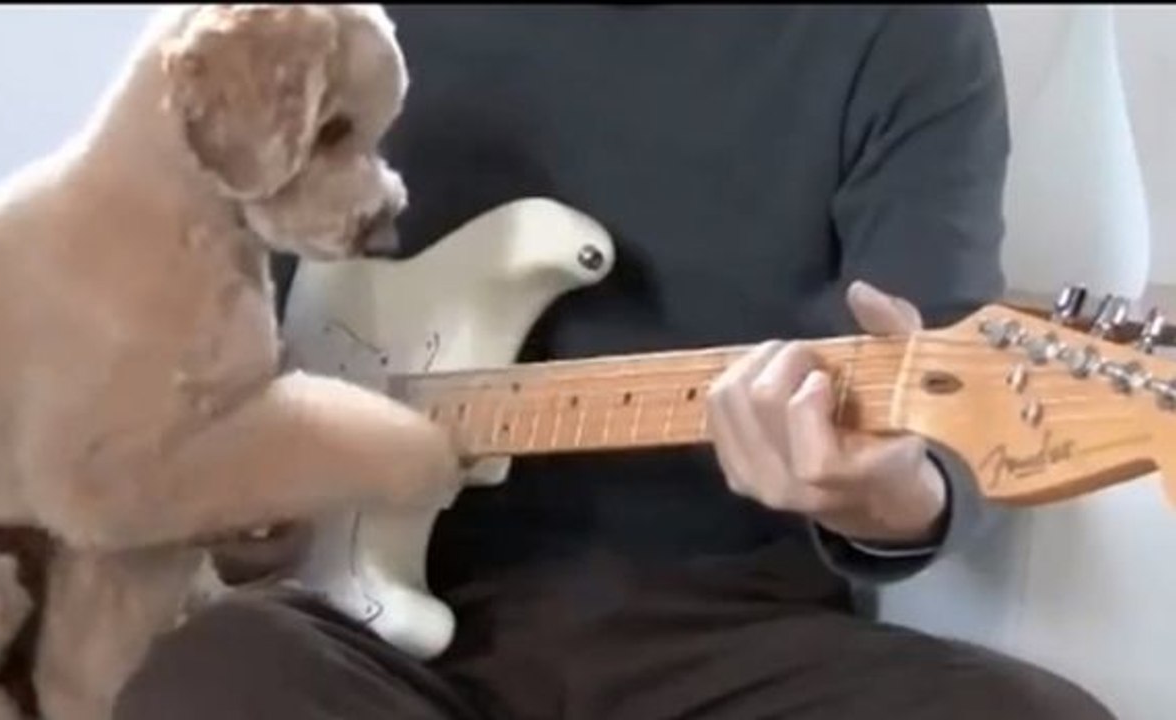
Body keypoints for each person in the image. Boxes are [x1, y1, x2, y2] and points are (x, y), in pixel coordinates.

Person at [115, 6, 1114, 719]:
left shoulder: (904, 29)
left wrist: (885, 494)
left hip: (735, 637)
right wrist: (228, 495)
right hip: (365, 637)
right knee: (195, 676)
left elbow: (944, 392)